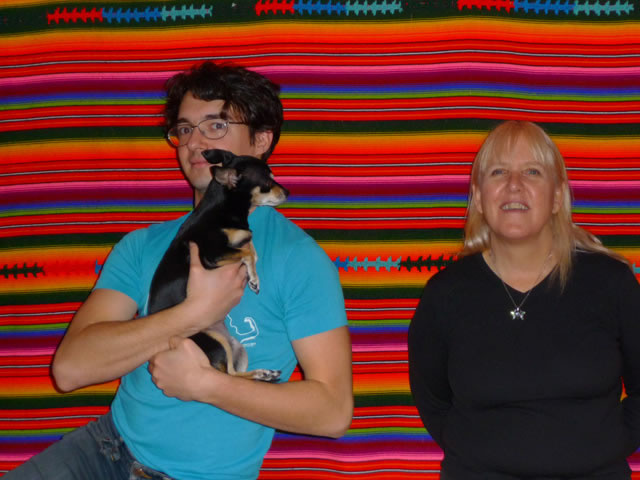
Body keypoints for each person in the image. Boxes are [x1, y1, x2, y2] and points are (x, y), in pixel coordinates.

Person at [6, 61, 353, 480]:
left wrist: (206, 385)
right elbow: (70, 370)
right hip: (105, 450)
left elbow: (333, 411)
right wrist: (193, 314)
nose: (195, 142)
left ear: (261, 141)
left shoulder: (298, 258)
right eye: (185, 129)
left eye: (216, 125)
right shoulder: (142, 245)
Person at [408, 120, 640, 479]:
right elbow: (432, 399)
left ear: (557, 197)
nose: (514, 184)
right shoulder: (445, 295)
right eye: (498, 172)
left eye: (532, 171)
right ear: (479, 197)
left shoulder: (612, 284)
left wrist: (610, 444)